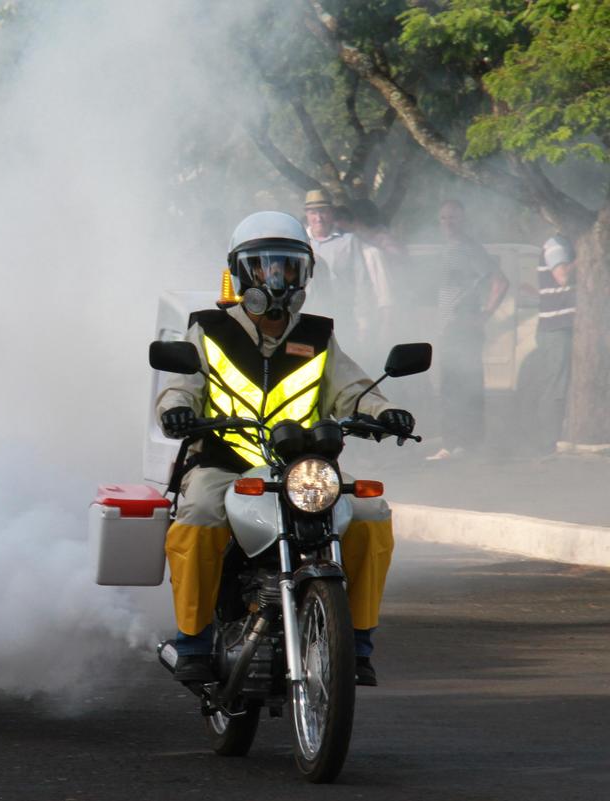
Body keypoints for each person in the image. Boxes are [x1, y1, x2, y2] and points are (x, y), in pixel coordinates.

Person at [155, 210, 415, 687]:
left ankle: (356, 640)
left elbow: (353, 389)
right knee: (197, 513)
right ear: (240, 274)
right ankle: (192, 638)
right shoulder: (210, 330)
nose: (277, 280)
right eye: (264, 268)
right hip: (225, 464)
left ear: (306, 274)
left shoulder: (317, 337)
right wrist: (175, 410)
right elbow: (180, 386)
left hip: (303, 469)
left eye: (288, 268)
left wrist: (383, 411)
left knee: (372, 511)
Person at [427, 199, 509, 460]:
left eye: (453, 218)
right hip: (449, 329)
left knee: (464, 385)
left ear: (463, 220)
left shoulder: (469, 249)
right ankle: (458, 443)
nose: (448, 223)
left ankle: (461, 443)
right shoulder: (447, 249)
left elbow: (500, 281)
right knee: (452, 386)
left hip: (462, 329)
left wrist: (483, 315)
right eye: (444, 218)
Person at [303, 191, 393, 349]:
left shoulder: (348, 241)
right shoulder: (300, 241)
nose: (319, 218)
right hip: (308, 319)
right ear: (307, 215)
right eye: (313, 213)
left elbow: (362, 282)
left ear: (331, 213)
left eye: (323, 212)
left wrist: (363, 321)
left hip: (343, 319)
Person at [515, 234, 577, 453]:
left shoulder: (568, 244)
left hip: (563, 327)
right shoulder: (556, 244)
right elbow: (562, 277)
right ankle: (548, 442)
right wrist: (586, 257)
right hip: (556, 327)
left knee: (560, 383)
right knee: (555, 385)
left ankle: (554, 439)